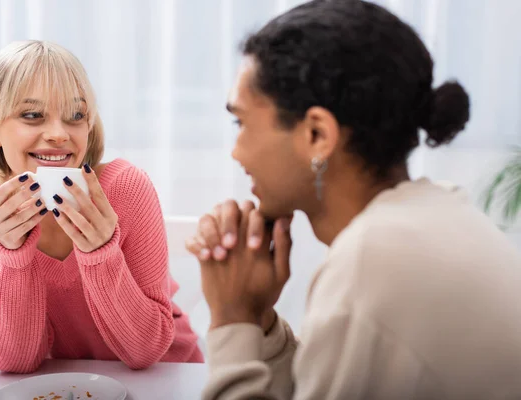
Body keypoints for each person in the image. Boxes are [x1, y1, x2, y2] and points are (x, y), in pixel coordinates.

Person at [185, 1, 521, 398]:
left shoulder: (375, 260)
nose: (235, 152)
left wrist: (231, 317)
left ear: (317, 135)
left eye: (241, 122)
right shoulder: (432, 216)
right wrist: (258, 322)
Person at [0, 40, 203, 373]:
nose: (58, 134)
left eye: (75, 115)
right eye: (32, 115)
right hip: (68, 385)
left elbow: (145, 351)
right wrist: (12, 256)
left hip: (170, 377)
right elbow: (14, 361)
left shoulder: (126, 188)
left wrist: (101, 252)